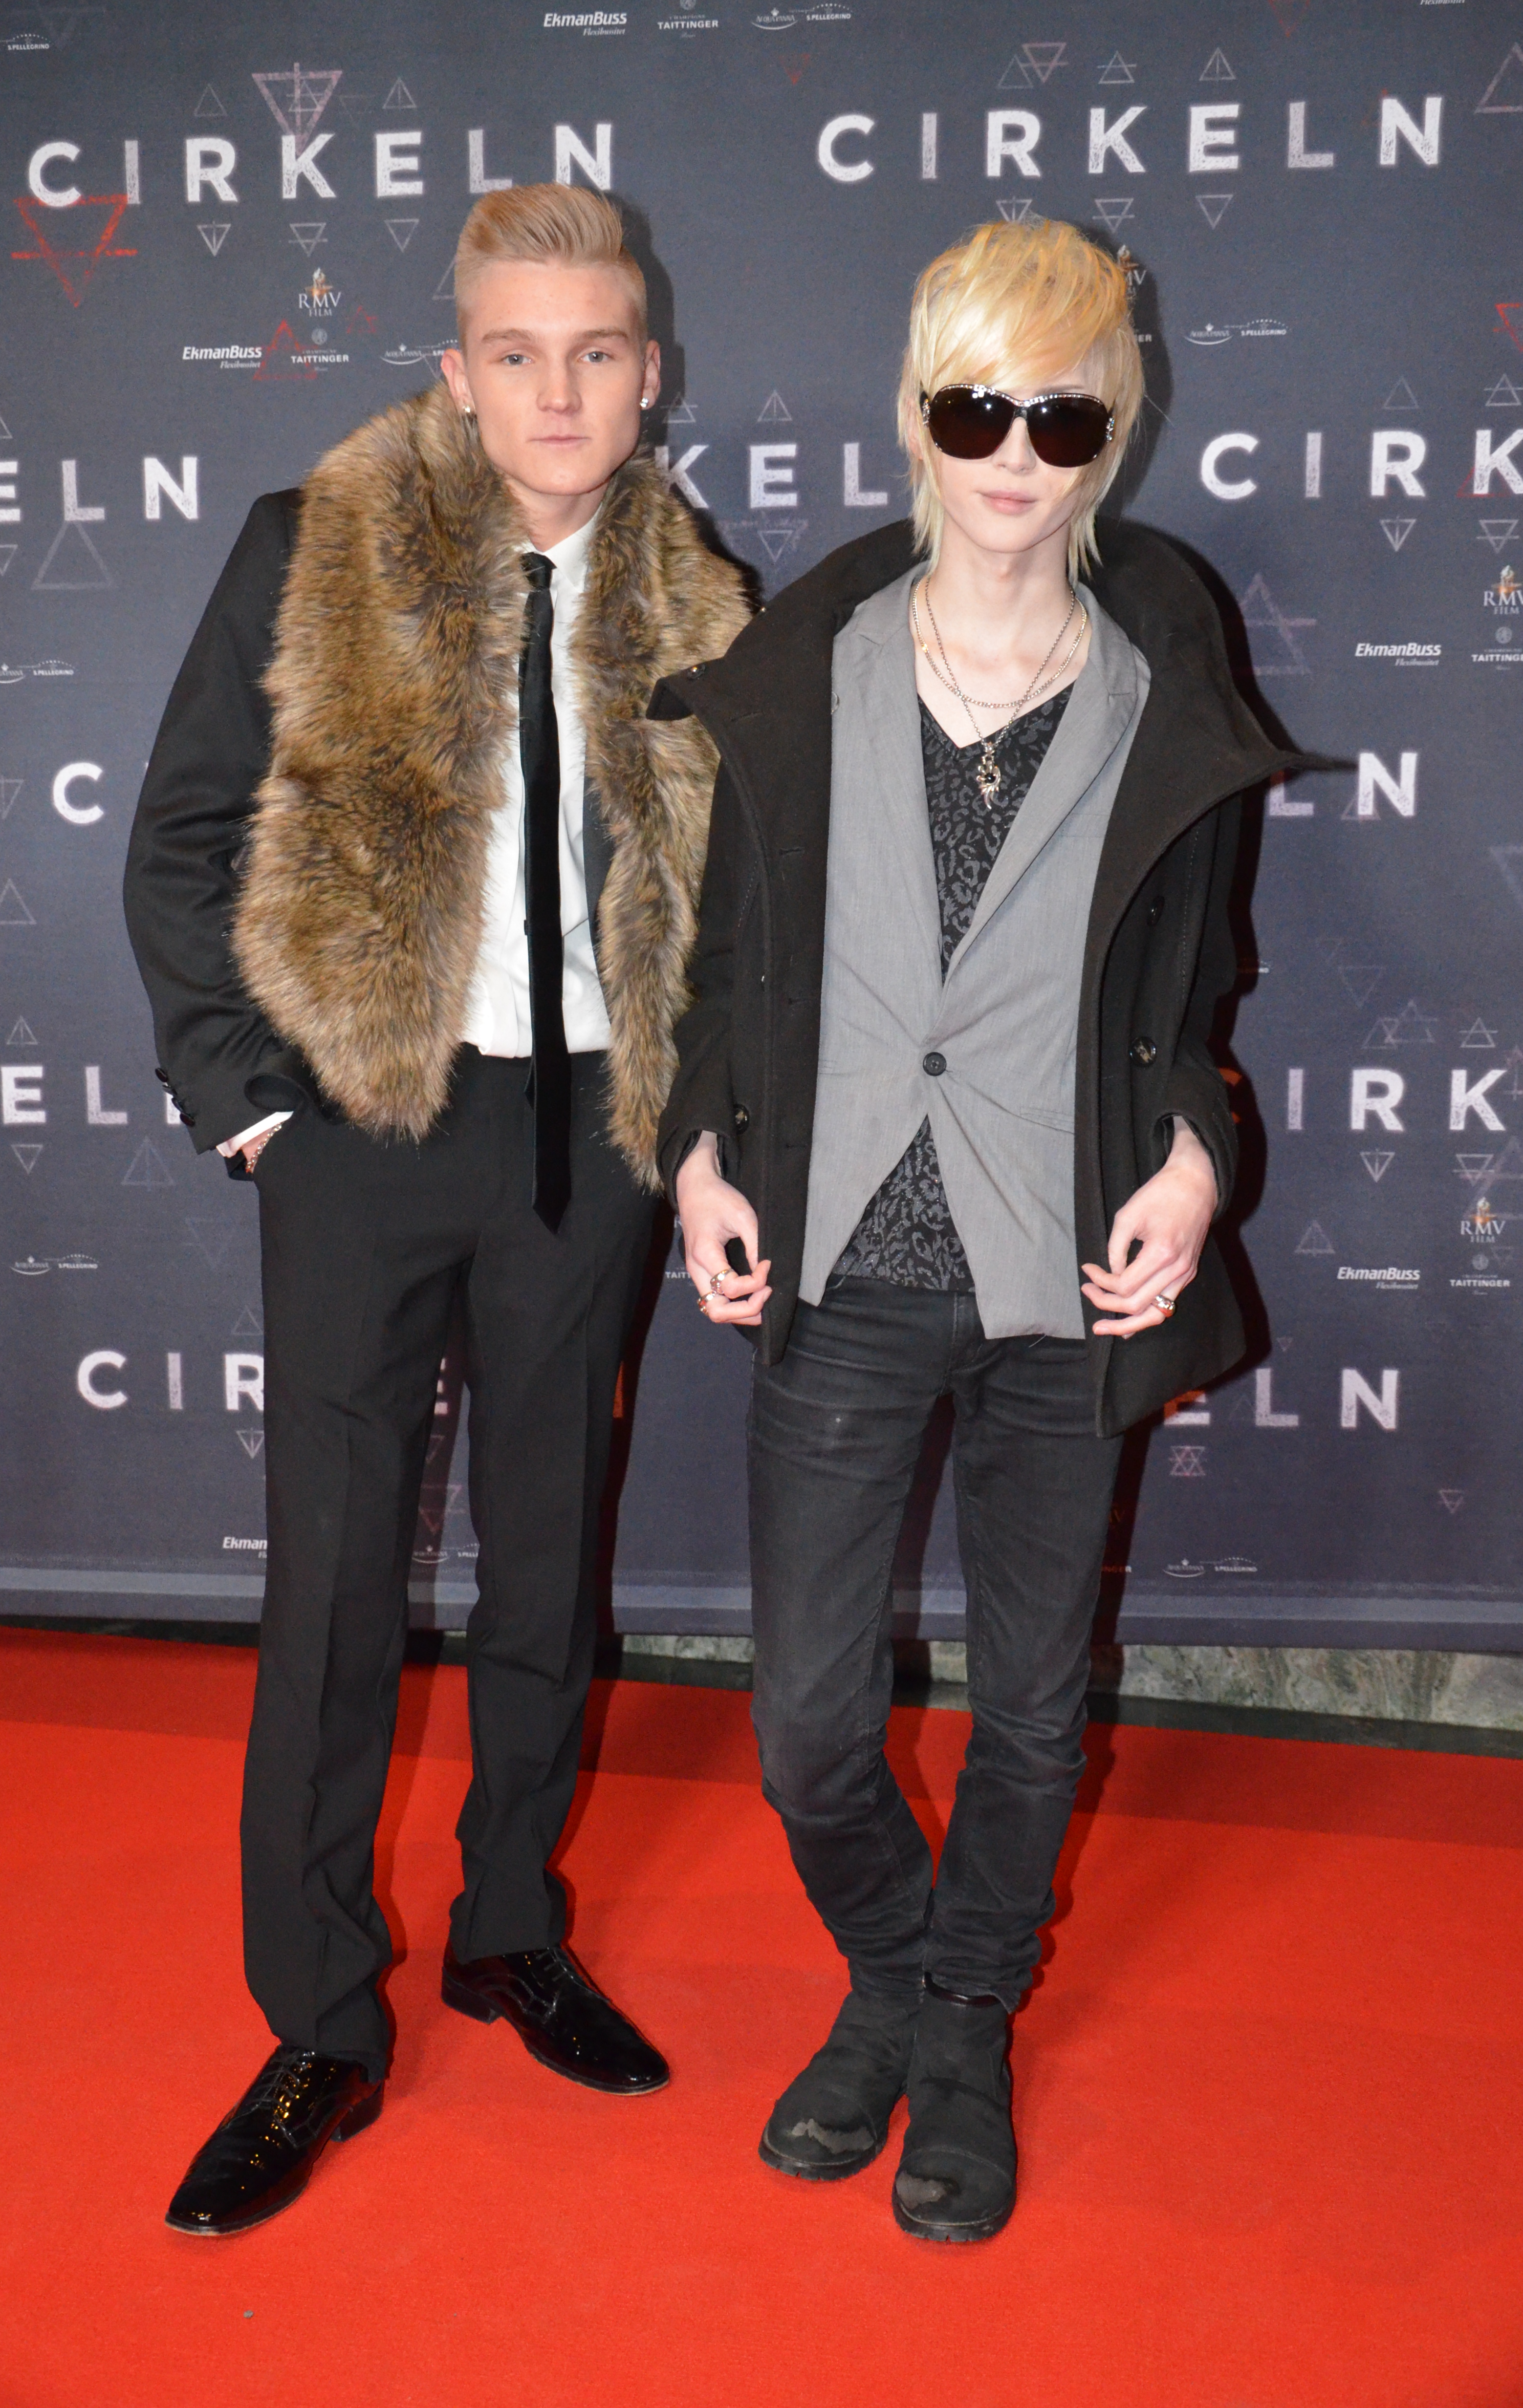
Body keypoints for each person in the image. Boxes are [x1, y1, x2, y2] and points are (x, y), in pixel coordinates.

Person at [656, 219, 1293, 2244]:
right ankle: (897, 1968)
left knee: (1027, 1709)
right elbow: (726, 974)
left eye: (1063, 415)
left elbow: (1197, 1006)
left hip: (1058, 1284)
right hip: (844, 1267)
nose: (1016, 453)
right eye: (975, 406)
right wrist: (700, 1158)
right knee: (807, 1726)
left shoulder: (1169, 688)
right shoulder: (807, 671)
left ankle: (958, 2024)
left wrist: (1193, 1167)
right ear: (914, 413)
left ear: (1119, 425)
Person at [124, 184, 749, 2236]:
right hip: (361, 1124)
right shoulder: (312, 546)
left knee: (549, 1556)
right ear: (458, 369)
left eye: (597, 352)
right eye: (516, 352)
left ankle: (509, 1927)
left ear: (648, 374)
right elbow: (181, 835)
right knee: (334, 1584)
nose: (557, 391)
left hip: (591, 1136)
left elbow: (737, 901)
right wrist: (253, 1110)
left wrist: (698, 1124)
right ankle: (316, 2015)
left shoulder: (705, 601)